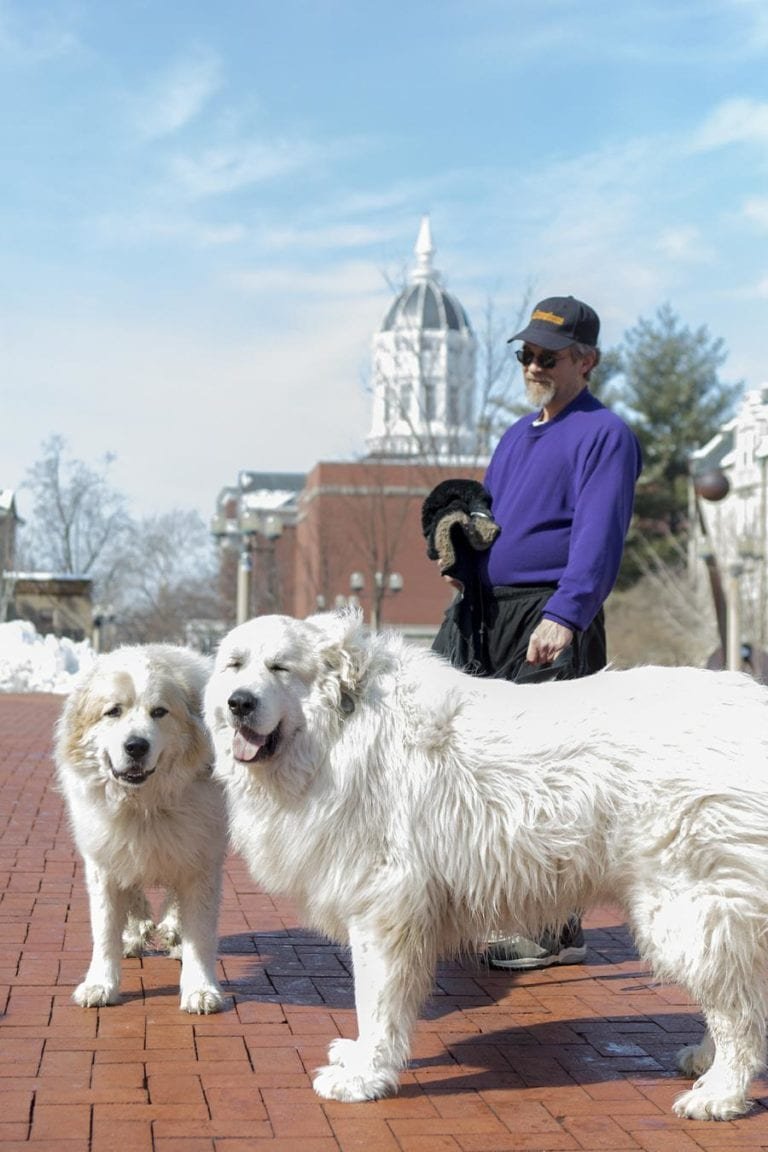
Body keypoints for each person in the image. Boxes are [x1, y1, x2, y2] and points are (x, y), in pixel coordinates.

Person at [431, 294, 643, 969]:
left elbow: (598, 536)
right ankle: (500, 904)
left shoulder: (604, 433)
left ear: (587, 360)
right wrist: (462, 545)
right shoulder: (517, 435)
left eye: (546, 355)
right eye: (525, 353)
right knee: (485, 765)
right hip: (491, 614)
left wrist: (567, 613)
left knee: (548, 774)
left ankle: (552, 925)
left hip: (550, 614)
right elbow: (495, 521)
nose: (532, 364)